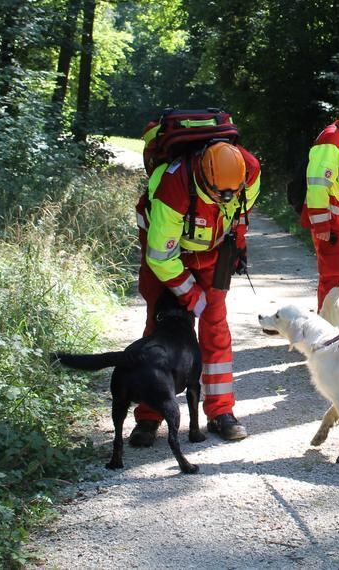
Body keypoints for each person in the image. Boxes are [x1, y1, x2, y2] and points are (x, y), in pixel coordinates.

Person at [130, 139, 261, 446]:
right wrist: (190, 296)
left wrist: (238, 243)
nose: (226, 198)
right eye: (220, 194)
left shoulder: (250, 171)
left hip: (214, 253)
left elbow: (242, 212)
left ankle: (221, 413)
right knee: (159, 330)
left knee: (216, 327)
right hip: (164, 255)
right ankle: (150, 414)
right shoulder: (173, 186)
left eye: (233, 191)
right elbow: (161, 257)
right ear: (203, 179)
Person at [301, 96, 339, 309]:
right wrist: (321, 224)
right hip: (329, 223)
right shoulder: (332, 137)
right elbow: (318, 183)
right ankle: (328, 332)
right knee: (334, 280)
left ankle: (333, 327)